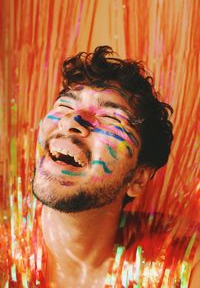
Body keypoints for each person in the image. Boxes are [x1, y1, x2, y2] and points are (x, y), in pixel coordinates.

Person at [32, 46, 199, 287]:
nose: (71, 122)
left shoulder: (182, 260)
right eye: (65, 107)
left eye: (110, 119)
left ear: (138, 179)